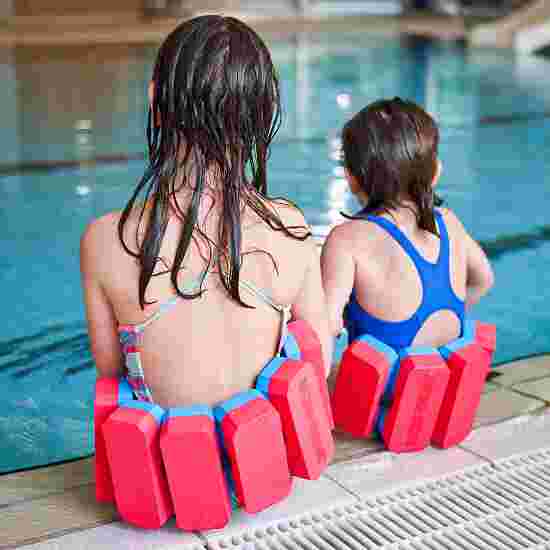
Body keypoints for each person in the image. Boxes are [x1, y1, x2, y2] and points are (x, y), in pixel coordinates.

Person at [80, 15, 331, 408]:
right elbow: (318, 359)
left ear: (155, 100)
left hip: (163, 465)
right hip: (262, 464)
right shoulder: (290, 228)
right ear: (262, 114)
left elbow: (111, 371)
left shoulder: (107, 241)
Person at [321, 97, 494, 350]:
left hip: (382, 388)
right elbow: (484, 280)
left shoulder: (347, 240)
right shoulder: (448, 222)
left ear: (351, 178)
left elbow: (327, 326)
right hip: (447, 381)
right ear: (435, 173)